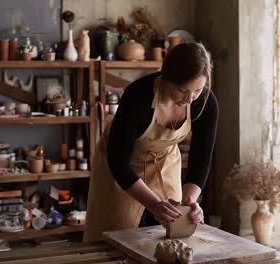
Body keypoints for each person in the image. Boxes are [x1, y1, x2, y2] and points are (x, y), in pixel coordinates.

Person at [84, 43, 219, 242]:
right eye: (183, 90)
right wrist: (154, 205)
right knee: (118, 236)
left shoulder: (206, 102)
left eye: (197, 90)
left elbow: (201, 159)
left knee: (173, 229)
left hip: (163, 161)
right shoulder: (138, 95)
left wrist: (190, 202)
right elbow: (118, 163)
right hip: (121, 165)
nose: (190, 99)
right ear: (166, 79)